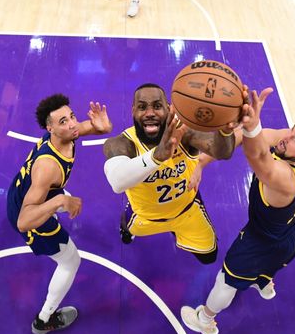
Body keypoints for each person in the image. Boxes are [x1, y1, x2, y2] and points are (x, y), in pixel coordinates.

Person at [180, 87, 295, 334]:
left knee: (226, 281)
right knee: (269, 267)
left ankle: (205, 320)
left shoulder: (286, 180)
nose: (286, 138)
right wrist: (202, 161)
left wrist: (252, 125)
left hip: (260, 241)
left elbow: (257, 156)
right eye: (293, 129)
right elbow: (245, 139)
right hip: (293, 231)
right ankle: (263, 282)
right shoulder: (292, 147)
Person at [6, 94, 112, 334]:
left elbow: (87, 127)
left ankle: (56, 200)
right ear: (49, 128)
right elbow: (24, 222)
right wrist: (59, 201)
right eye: (63, 121)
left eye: (72, 116)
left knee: (60, 197)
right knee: (70, 262)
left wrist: (103, 128)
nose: (73, 124)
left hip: (21, 192)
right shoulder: (48, 167)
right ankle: (44, 320)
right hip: (28, 213)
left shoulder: (63, 136)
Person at [102, 83, 238, 265]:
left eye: (157, 106)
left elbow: (223, 152)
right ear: (133, 111)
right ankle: (126, 227)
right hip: (146, 217)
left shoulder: (185, 133)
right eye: (142, 107)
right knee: (128, 229)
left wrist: (225, 130)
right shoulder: (120, 143)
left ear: (168, 108)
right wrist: (157, 156)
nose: (150, 112)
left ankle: (175, 230)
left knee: (209, 258)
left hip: (187, 211)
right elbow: (117, 183)